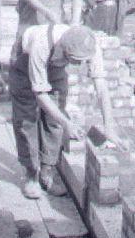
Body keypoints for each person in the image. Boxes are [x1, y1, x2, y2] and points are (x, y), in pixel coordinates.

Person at [9, 23, 120, 199]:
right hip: (24, 61)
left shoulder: (89, 44)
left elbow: (101, 88)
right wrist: (67, 123)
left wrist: (110, 128)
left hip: (55, 65)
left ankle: (47, 172)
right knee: (26, 119)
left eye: (84, 60)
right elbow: (40, 95)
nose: (81, 64)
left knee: (54, 119)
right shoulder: (41, 44)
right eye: (76, 61)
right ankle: (31, 175)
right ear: (63, 49)